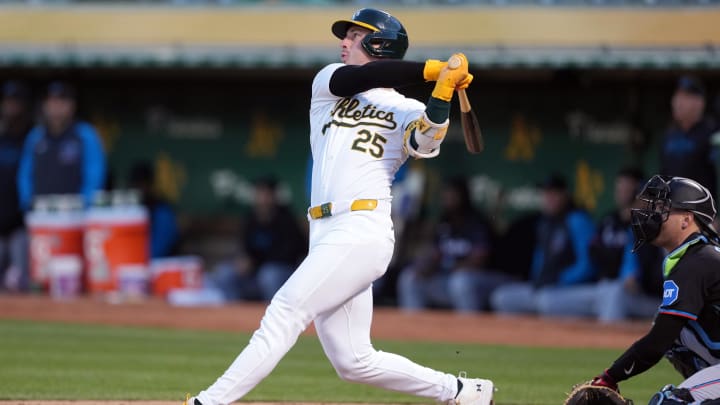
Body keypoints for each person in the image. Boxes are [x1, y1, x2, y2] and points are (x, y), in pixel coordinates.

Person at [184, 8, 494, 405]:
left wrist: (444, 91)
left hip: (363, 228)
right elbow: (366, 77)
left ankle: (207, 402)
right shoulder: (329, 82)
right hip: (326, 231)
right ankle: (463, 392)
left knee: (285, 312)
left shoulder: (407, 110)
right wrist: (436, 69)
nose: (343, 42)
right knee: (354, 361)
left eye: (354, 35)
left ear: (378, 43)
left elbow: (425, 142)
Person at [585, 175, 720, 405]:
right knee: (677, 335)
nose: (654, 214)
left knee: (670, 402)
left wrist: (610, 377)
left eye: (663, 208)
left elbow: (657, 341)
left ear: (686, 220)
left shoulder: (698, 261)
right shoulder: (697, 256)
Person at [524, 168, 663, 322]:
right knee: (548, 301)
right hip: (603, 289)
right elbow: (595, 258)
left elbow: (638, 276)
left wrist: (634, 280)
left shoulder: (661, 230)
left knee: (615, 293)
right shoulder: (611, 222)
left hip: (649, 299)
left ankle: (608, 343)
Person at [396, 175, 511, 313]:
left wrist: (450, 267)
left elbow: (480, 260)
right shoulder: (444, 222)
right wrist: (426, 266)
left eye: (452, 194)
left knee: (460, 281)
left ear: (463, 196)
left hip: (483, 280)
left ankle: (469, 330)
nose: (448, 198)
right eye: (446, 194)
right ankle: (412, 330)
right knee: (410, 277)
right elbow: (434, 255)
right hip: (449, 279)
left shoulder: (477, 223)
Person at [489, 173, 596, 316]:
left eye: (554, 194)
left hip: (573, 289)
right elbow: (540, 259)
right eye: (546, 194)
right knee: (502, 298)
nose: (548, 199)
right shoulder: (544, 223)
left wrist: (561, 279)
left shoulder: (577, 220)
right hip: (546, 289)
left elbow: (588, 265)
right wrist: (538, 280)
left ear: (565, 195)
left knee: (546, 301)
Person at [206, 176, 306, 302]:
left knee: (268, 274)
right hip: (253, 276)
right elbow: (243, 248)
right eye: (259, 194)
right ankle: (235, 316)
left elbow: (292, 254)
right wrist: (242, 260)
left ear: (274, 196)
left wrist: (254, 262)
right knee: (225, 273)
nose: (262, 199)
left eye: (266, 194)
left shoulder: (286, 219)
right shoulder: (250, 218)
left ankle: (272, 315)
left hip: (282, 275)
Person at [17, 81, 106, 211]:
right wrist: (27, 201)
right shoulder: (36, 136)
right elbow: (25, 174)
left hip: (74, 216)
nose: (57, 107)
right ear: (44, 105)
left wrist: (84, 204)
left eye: (62, 101)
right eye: (52, 102)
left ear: (72, 105)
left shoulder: (85, 134)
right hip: (40, 212)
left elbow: (95, 174)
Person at [659, 75, 717, 199]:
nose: (677, 102)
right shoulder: (670, 134)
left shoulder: (711, 131)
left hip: (702, 209)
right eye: (677, 96)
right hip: (674, 207)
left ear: (699, 102)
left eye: (685, 97)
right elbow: (664, 173)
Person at [0, 81, 33, 292]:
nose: (12, 106)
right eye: (8, 101)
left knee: (22, 285)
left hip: (21, 224)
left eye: (16, 102)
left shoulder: (33, 137)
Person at [127, 160, 180, 259]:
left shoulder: (162, 211)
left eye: (142, 184)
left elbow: (156, 252)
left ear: (150, 184)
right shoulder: (129, 210)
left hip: (160, 269)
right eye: (134, 184)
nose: (138, 189)